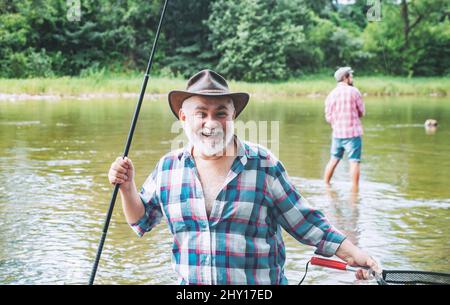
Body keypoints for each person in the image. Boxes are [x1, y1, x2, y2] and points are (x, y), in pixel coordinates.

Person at [108, 69, 378, 284]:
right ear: (183, 117)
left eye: (220, 113)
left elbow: (306, 222)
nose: (210, 123)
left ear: (233, 115)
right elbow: (141, 220)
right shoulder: (168, 167)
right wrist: (127, 188)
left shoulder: (263, 165)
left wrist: (355, 254)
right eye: (201, 113)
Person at [323, 67, 365, 192]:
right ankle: (355, 191)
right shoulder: (354, 92)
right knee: (354, 161)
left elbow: (328, 117)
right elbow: (361, 112)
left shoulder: (331, 94)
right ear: (345, 78)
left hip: (337, 134)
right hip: (353, 133)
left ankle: (325, 185)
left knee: (334, 159)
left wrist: (336, 123)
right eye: (351, 76)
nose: (352, 79)